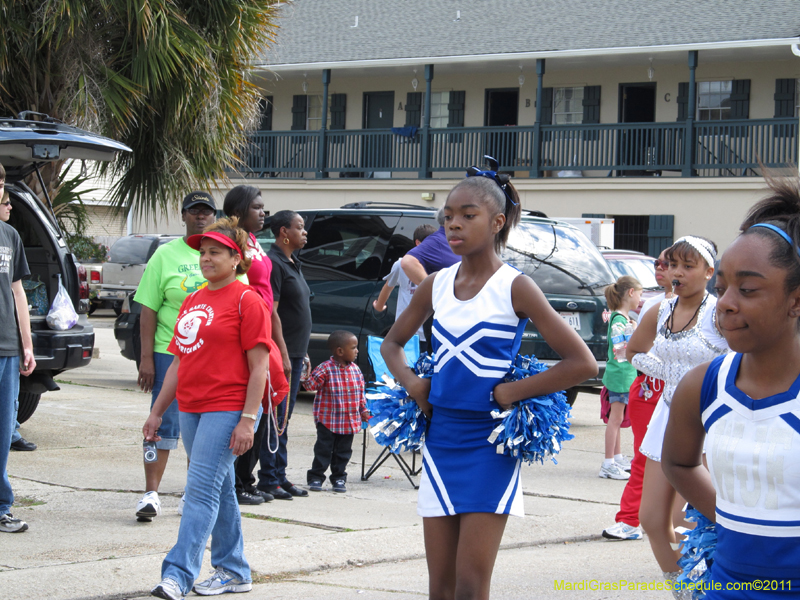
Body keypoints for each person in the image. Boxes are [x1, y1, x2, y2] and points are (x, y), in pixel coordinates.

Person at [381, 171, 597, 599]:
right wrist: (413, 383)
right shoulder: (436, 284)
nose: (453, 225)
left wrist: (510, 392)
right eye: (447, 218)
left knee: (470, 584)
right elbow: (391, 345)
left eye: (467, 215)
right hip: (441, 441)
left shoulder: (515, 286)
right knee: (439, 586)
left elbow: (583, 363)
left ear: (497, 222)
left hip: (490, 446)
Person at [663, 178, 800, 598]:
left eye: (748, 289)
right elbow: (679, 463)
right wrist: (731, 520)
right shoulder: (705, 383)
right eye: (721, 288)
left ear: (797, 300)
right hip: (726, 586)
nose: (724, 303)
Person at [144, 218, 270, 599]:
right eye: (202, 252)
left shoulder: (248, 300)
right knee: (221, 489)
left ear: (236, 258)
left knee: (198, 490)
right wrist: (157, 411)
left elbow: (260, 366)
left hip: (230, 407)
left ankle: (177, 576)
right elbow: (179, 364)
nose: (205, 258)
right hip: (192, 408)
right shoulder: (194, 299)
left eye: (215, 252)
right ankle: (234, 571)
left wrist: (248, 420)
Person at [627, 235, 728, 593]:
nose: (677, 273)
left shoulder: (720, 312)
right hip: (668, 418)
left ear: (709, 271)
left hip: (710, 423)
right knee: (652, 519)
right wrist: (670, 375)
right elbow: (634, 352)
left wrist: (701, 384)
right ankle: (682, 589)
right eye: (673, 265)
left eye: (688, 265)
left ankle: (708, 588)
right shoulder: (659, 309)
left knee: (691, 520)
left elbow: (742, 362)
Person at [133, 191, 216, 522]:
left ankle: (193, 494)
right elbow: (148, 309)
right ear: (183, 216)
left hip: (211, 357)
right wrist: (147, 359)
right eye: (193, 211)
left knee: (203, 427)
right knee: (161, 424)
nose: (200, 216)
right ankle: (151, 492)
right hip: (170, 353)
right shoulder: (165, 255)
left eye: (206, 212)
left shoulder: (223, 254)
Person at [603, 250, 675, 541]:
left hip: (693, 394)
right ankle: (631, 519)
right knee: (645, 457)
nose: (663, 269)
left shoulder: (714, 310)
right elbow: (631, 353)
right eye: (660, 263)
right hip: (650, 390)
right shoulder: (653, 306)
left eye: (677, 264)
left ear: (705, 271)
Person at [222, 185, 280, 506]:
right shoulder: (230, 239)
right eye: (257, 207)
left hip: (262, 328)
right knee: (248, 408)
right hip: (242, 330)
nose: (263, 212)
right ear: (239, 210)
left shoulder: (254, 241)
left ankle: (247, 478)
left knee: (264, 405)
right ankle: (236, 481)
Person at [256, 210, 312, 501]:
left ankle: (279, 475)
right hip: (281, 354)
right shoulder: (274, 264)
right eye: (299, 227)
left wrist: (301, 355)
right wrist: (284, 355)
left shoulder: (293, 262)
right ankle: (268, 478)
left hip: (296, 352)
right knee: (275, 418)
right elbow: (271, 312)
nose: (305, 232)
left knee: (285, 418)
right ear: (283, 233)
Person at [0, 162, 36, 534]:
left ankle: (1, 507)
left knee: (2, 432)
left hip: (8, 349)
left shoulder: (9, 236)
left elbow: (18, 292)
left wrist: (27, 345)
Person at [305, 330, 369, 493]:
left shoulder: (356, 370)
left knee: (343, 452)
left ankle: (339, 478)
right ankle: (316, 477)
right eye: (353, 347)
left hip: (348, 422)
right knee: (323, 450)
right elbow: (311, 386)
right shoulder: (325, 369)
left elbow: (360, 395)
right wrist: (305, 374)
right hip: (328, 420)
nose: (357, 351)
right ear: (340, 351)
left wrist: (363, 410)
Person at [599, 275, 642, 481]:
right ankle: (608, 463)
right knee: (615, 420)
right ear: (631, 293)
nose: (640, 300)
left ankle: (615, 457)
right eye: (639, 294)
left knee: (617, 419)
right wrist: (632, 332)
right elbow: (620, 350)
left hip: (623, 376)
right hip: (621, 376)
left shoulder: (621, 318)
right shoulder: (619, 319)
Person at [401, 208, 461, 350]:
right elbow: (407, 262)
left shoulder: (459, 240)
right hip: (443, 316)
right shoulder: (439, 239)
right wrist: (436, 291)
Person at [373, 223, 436, 341]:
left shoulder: (402, 264)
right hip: (415, 332)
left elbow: (388, 286)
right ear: (418, 243)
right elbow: (388, 285)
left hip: (415, 331)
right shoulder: (402, 264)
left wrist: (379, 306)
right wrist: (380, 305)